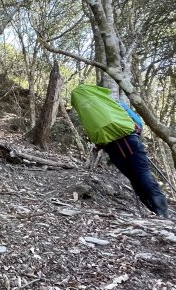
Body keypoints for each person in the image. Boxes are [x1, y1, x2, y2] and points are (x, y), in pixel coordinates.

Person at [71, 84, 169, 218]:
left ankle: (153, 210)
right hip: (130, 140)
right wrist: (136, 134)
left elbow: (92, 132)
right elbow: (136, 121)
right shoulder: (111, 101)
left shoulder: (85, 111)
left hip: (112, 148)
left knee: (134, 178)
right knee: (143, 173)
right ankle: (162, 212)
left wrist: (101, 144)